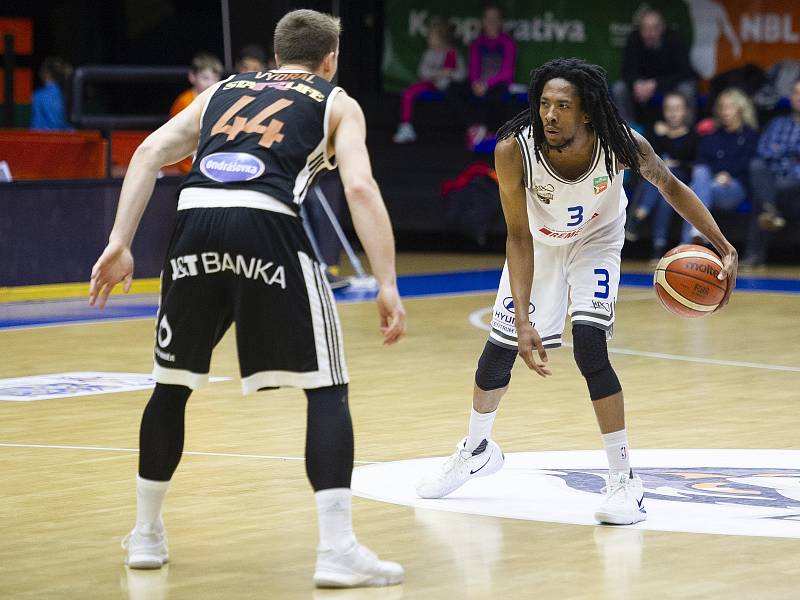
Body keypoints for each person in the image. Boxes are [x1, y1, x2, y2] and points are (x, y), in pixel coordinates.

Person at [88, 9, 406, 588]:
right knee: (326, 387)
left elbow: (145, 156)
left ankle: (146, 535)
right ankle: (336, 549)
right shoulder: (337, 101)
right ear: (329, 59)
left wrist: (119, 244)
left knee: (171, 384)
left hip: (194, 223)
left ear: (280, 53)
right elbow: (359, 186)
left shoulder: (219, 93)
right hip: (267, 224)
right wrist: (386, 282)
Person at [416, 58, 737, 526]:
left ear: (586, 112)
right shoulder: (513, 149)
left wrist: (722, 244)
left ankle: (625, 482)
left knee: (590, 346)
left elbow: (669, 185)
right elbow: (518, 237)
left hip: (596, 240)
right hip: (539, 246)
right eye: (544, 104)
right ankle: (477, 449)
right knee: (498, 351)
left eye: (562, 106)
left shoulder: (621, 143)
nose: (549, 114)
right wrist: (524, 319)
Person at [684, 88, 759, 256]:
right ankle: (695, 234)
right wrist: (717, 175)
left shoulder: (750, 136)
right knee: (699, 176)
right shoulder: (712, 136)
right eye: (722, 107)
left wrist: (727, 174)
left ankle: (687, 245)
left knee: (690, 193)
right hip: (710, 184)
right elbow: (701, 160)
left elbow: (748, 164)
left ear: (740, 108)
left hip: (734, 187)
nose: (725, 112)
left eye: (730, 107)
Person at [625, 92, 698, 260]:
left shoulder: (692, 135)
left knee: (666, 184)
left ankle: (641, 213)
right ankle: (659, 245)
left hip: (681, 181)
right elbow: (644, 157)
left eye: (677, 109)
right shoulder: (654, 131)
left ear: (685, 111)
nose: (673, 113)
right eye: (669, 109)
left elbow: (694, 162)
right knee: (662, 190)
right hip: (657, 182)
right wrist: (662, 136)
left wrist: (674, 163)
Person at [611, 8, 696, 127]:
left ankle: (686, 130)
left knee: (687, 89)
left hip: (667, 84)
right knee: (619, 88)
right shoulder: (633, 38)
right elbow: (626, 70)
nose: (649, 33)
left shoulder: (675, 39)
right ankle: (627, 130)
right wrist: (636, 83)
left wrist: (655, 84)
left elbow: (685, 72)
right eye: (645, 29)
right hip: (641, 86)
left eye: (654, 28)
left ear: (662, 28)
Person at [746, 78, 800, 265]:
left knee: (763, 196)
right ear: (790, 96)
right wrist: (792, 154)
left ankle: (770, 211)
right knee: (756, 166)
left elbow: (774, 153)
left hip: (796, 190)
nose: (799, 97)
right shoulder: (777, 123)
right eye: (796, 92)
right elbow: (763, 151)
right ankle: (771, 210)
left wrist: (780, 152)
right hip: (774, 182)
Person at [450, 5, 517, 149]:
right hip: (478, 85)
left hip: (497, 85)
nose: (491, 21)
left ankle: (488, 131)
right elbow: (473, 69)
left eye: (495, 18)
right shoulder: (477, 43)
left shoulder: (507, 43)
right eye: (488, 18)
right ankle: (474, 128)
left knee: (499, 95)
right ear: (483, 21)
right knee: (454, 89)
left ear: (500, 22)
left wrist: (487, 84)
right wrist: (475, 83)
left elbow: (507, 72)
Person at [393, 18, 466, 144]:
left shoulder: (453, 53)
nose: (428, 39)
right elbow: (422, 72)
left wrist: (450, 74)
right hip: (430, 84)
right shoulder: (429, 53)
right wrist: (438, 74)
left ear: (442, 38)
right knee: (408, 93)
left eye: (432, 37)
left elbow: (463, 74)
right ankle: (406, 127)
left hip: (450, 88)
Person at [169, 52, 224, 173]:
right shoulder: (184, 102)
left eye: (215, 78)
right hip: (190, 168)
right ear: (192, 77)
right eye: (205, 78)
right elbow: (183, 140)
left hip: (212, 162)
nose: (211, 83)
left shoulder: (218, 99)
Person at [30, 57, 72, 130]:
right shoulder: (63, 93)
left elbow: (37, 125)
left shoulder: (39, 95)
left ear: (45, 73)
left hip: (44, 138)